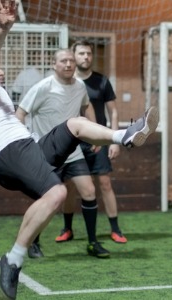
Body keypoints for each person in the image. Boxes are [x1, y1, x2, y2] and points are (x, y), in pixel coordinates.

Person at [0, 2, 157, 298]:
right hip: (10, 154)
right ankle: (13, 259)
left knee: (74, 124)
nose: (0, 67)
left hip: (26, 148)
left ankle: (125, 135)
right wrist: (4, 27)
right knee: (58, 192)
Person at [15, 48, 109, 259]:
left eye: (70, 61)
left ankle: (93, 243)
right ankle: (33, 243)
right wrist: (25, 141)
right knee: (46, 199)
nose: (68, 64)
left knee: (89, 192)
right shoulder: (42, 87)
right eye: (63, 61)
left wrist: (95, 132)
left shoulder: (80, 86)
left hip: (73, 152)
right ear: (53, 64)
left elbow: (87, 107)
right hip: (47, 153)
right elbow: (20, 113)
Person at [53, 40, 128, 245]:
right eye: (81, 53)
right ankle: (67, 228)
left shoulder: (102, 81)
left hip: (97, 140)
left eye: (89, 53)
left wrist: (114, 140)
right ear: (73, 56)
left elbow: (113, 111)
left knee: (104, 183)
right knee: (68, 185)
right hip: (72, 142)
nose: (86, 57)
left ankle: (115, 229)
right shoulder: (66, 82)